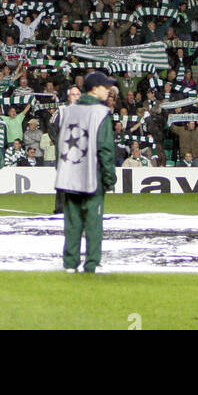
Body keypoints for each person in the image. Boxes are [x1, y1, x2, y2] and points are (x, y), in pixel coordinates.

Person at [54, 71, 116, 274]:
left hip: (69, 171)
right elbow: (105, 148)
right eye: (105, 86)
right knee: (93, 221)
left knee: (71, 222)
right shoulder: (101, 113)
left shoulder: (68, 111)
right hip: (92, 174)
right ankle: (92, 263)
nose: (109, 90)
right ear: (94, 88)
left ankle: (70, 263)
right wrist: (109, 177)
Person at [53, 85, 80, 214]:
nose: (75, 97)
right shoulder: (62, 110)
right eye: (73, 94)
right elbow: (51, 126)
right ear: (68, 96)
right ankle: (60, 208)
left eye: (78, 94)